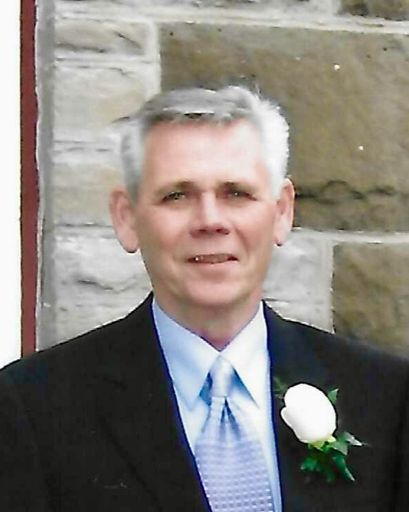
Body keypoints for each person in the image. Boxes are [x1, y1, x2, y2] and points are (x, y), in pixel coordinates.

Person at [1, 86, 408, 512]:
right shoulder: (34, 410)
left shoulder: (387, 399)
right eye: (177, 195)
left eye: (236, 193)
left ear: (282, 211)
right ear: (127, 217)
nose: (210, 220)